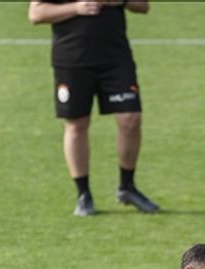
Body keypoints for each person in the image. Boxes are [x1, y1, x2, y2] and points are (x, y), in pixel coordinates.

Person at [28, 0, 158, 216]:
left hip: (116, 59)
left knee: (131, 119)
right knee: (77, 125)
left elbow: (143, 5)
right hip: (72, 60)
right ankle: (83, 194)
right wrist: (76, 8)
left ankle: (127, 187)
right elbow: (36, 13)